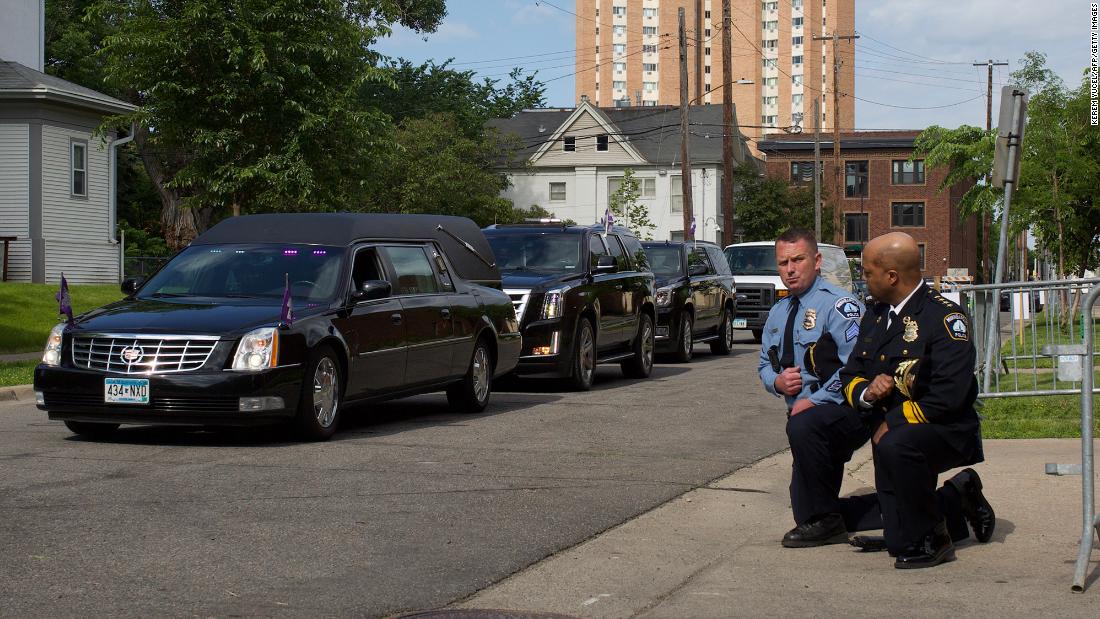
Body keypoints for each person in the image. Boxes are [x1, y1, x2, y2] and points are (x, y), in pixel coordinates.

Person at [840, 232, 995, 568]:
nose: (864, 280)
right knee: (897, 541)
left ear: (891, 276)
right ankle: (959, 495)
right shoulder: (877, 315)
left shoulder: (944, 319)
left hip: (945, 428)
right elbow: (850, 374)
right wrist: (868, 393)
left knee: (896, 445)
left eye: (867, 273)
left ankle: (934, 538)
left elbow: (948, 398)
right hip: (893, 430)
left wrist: (891, 422)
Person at [757, 229, 870, 547]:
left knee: (804, 423)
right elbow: (764, 365)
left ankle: (828, 520)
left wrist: (816, 401)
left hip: (844, 413)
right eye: (783, 263)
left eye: (798, 260)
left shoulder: (839, 306)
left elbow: (855, 369)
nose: (790, 269)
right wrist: (776, 382)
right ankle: (934, 505)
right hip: (805, 423)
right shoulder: (779, 312)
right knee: (805, 514)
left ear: (817, 261)